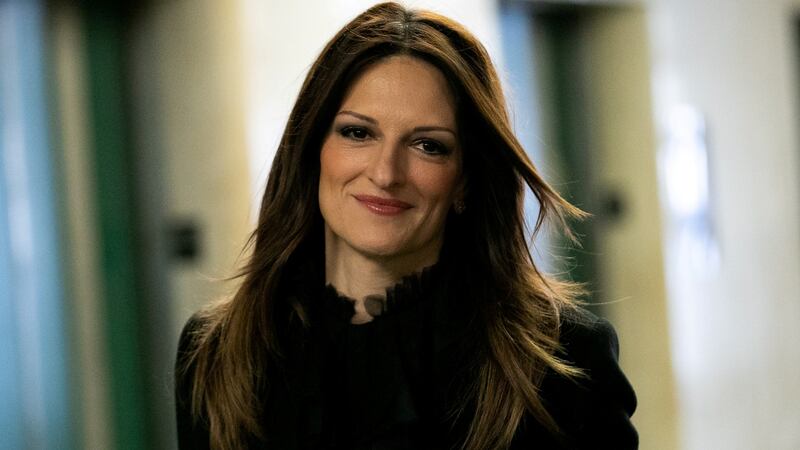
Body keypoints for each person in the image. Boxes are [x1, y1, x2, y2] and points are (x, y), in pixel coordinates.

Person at [174, 2, 638, 449]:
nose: (385, 173)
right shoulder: (218, 350)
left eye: (428, 146)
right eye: (358, 133)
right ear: (313, 150)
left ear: (465, 181)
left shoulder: (564, 359)